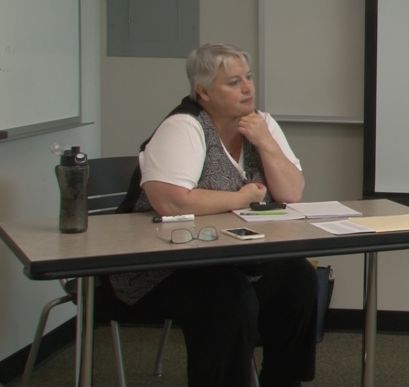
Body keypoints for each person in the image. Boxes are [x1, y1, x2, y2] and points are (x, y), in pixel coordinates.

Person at [108, 43, 317, 387]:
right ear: (202, 91)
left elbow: (291, 192)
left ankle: (283, 380)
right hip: (160, 267)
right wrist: (239, 197)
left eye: (248, 78)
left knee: (296, 277)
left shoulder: (261, 124)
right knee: (227, 297)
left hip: (227, 257)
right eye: (233, 82)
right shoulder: (184, 126)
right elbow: (172, 202)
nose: (247, 88)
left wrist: (266, 143)